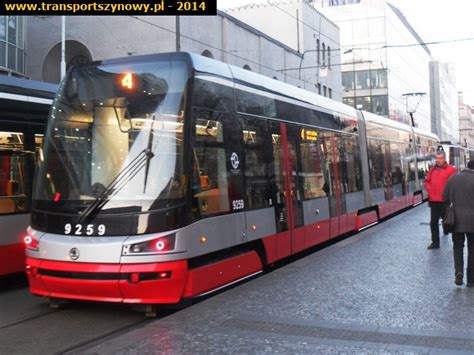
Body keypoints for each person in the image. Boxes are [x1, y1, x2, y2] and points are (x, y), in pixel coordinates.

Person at [443, 160, 474, 287]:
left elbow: (444, 196)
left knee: (457, 247)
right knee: (472, 249)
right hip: (473, 222)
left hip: (455, 220)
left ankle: (459, 272)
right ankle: (471, 280)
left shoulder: (453, 178)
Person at [424, 151, 457, 249]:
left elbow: (454, 184)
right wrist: (429, 190)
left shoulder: (452, 170)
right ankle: (435, 243)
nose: (438, 160)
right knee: (433, 222)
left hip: (445, 201)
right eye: (436, 158)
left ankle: (455, 240)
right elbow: (427, 181)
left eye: (440, 158)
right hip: (434, 200)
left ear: (444, 158)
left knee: (450, 221)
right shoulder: (432, 169)